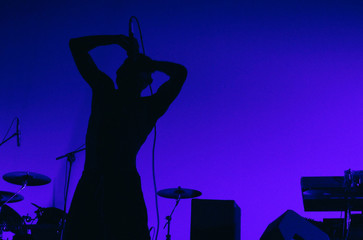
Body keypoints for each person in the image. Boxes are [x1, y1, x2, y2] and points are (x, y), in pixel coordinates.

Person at [63, 34, 187, 240]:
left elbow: (76, 46)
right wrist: (145, 62)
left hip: (101, 182)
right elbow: (180, 73)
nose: (124, 67)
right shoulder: (147, 107)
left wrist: (116, 42)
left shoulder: (107, 92)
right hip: (118, 184)